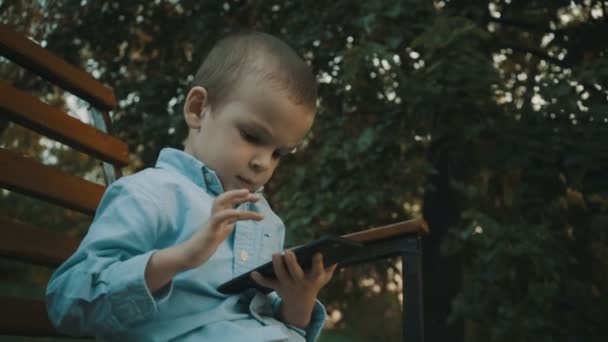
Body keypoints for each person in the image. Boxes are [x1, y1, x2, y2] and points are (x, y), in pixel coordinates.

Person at [46, 30, 336, 342]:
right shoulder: (150, 194)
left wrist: (299, 302)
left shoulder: (267, 222)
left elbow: (269, 321)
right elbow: (67, 302)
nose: (263, 162)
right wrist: (181, 258)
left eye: (278, 153)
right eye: (252, 136)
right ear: (198, 109)